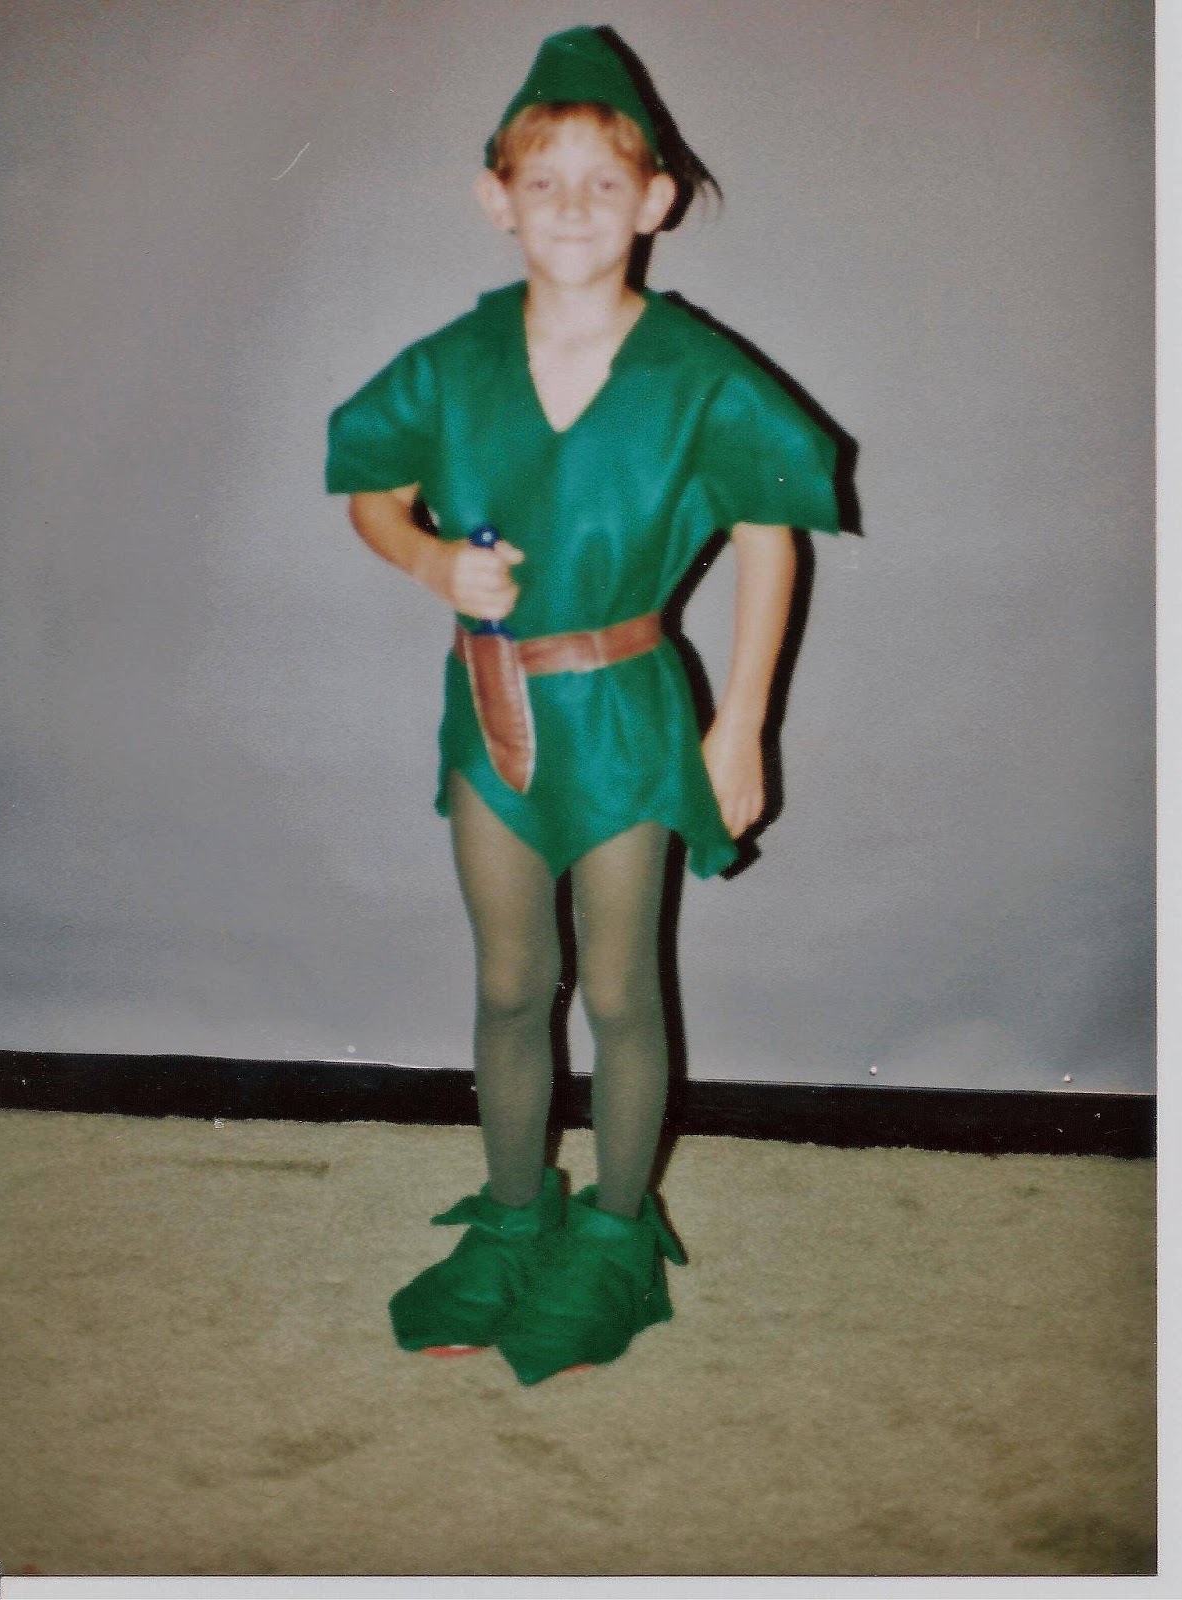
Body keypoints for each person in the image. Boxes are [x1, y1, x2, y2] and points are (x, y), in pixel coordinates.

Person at [325, 26, 844, 1386]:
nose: (571, 206)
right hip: (490, 713)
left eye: (603, 182)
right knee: (509, 983)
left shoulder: (693, 372)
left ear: (653, 201)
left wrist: (740, 725)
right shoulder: (452, 362)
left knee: (618, 988)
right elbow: (370, 486)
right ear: (494, 197)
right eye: (541, 181)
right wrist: (429, 559)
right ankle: (511, 1216)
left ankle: (613, 1231)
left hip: (623, 719)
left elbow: (772, 535)